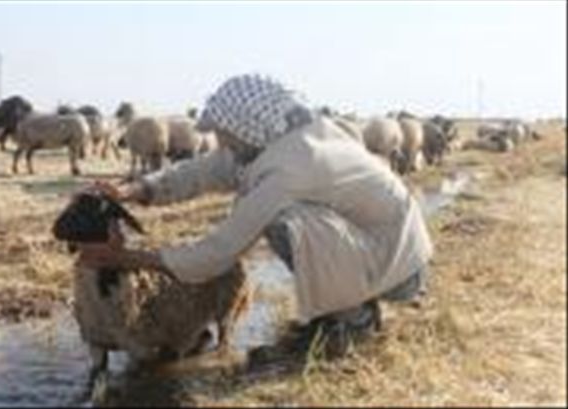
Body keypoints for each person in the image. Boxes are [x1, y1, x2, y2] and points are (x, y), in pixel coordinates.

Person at [77, 74, 433, 360]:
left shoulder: (289, 170)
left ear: (244, 127)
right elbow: (206, 170)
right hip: (394, 249)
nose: (218, 138)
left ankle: (353, 323)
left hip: (398, 268)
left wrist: (127, 258)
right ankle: (342, 309)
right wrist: (136, 189)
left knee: (286, 223)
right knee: (291, 219)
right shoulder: (289, 140)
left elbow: (217, 253)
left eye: (223, 132)